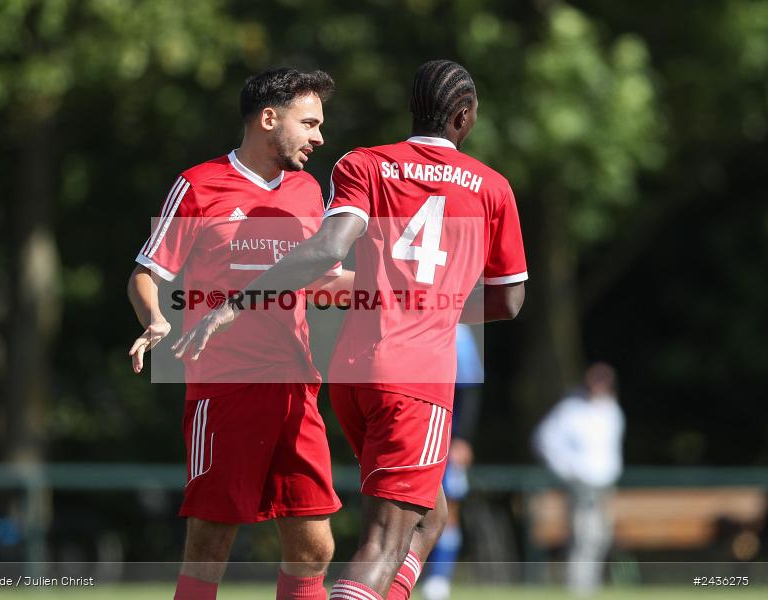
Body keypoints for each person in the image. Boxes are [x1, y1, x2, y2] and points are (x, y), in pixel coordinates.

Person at [174, 59, 528, 600]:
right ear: (465, 115)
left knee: (427, 516)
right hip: (418, 377)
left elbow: (331, 249)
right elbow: (508, 299)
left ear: (414, 110)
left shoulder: (364, 164)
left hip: (353, 374)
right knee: (385, 543)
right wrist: (433, 304)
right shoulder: (492, 187)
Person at [127, 67, 353, 600]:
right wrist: (156, 317)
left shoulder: (305, 190)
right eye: (310, 123)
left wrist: (401, 287)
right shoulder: (198, 184)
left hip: (296, 385)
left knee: (314, 544)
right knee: (211, 541)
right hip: (224, 387)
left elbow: (322, 281)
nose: (320, 137)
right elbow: (146, 273)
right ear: (269, 119)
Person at [533, 362, 625, 598]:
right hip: (582, 485)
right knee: (584, 538)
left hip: (605, 486)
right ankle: (579, 590)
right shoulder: (571, 409)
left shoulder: (612, 410)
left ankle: (590, 588)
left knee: (600, 538)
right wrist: (567, 470)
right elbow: (544, 440)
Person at [421, 324, 484, 600]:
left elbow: (469, 389)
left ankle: (439, 577)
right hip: (409, 433)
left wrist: (462, 438)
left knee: (449, 508)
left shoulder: (459, 331)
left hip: (444, 437)